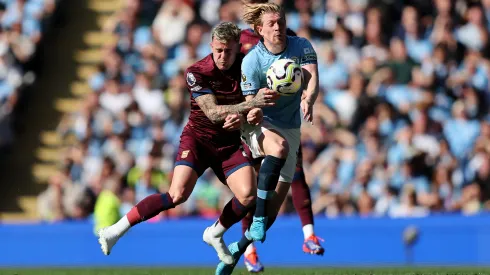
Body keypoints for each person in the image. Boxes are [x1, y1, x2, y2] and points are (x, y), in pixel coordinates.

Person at [96, 22, 277, 265]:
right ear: (211, 45)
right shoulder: (197, 71)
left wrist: (251, 113)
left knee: (247, 195)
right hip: (198, 140)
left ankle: (215, 232)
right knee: (177, 194)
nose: (223, 56)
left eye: (229, 51)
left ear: (238, 48)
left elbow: (252, 109)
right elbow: (213, 113)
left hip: (228, 144)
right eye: (219, 50)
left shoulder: (247, 66)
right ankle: (114, 231)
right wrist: (249, 105)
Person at [216, 3, 320, 274]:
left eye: (280, 21)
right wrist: (253, 112)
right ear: (259, 29)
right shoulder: (252, 58)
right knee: (277, 150)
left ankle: (240, 249)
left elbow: (312, 78)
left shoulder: (301, 45)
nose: (278, 26)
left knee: (275, 206)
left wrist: (309, 98)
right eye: (272, 23)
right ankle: (255, 221)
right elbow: (250, 103)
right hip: (258, 125)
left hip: (290, 127)